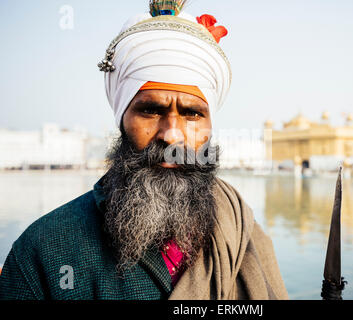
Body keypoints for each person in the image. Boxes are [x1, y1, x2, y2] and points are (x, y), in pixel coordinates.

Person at [0, 1, 288, 300]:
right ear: (122, 118)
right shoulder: (46, 247)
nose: (172, 135)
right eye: (151, 110)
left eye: (192, 114)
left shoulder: (238, 226)